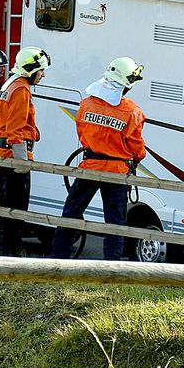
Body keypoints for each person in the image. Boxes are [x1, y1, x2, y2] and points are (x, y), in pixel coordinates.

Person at [51, 57, 146, 261]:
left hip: (90, 166)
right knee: (114, 222)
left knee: (71, 212)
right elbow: (137, 147)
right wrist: (135, 157)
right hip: (117, 172)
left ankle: (58, 258)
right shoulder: (132, 112)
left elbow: (82, 134)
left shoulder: (86, 105)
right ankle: (111, 267)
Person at [0, 46, 51, 256]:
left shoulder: (10, 84)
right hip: (14, 155)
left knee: (6, 209)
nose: (43, 75)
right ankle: (12, 256)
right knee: (17, 210)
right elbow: (15, 128)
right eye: (41, 70)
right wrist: (21, 163)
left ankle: (3, 253)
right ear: (31, 68)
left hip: (4, 153)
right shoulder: (21, 89)